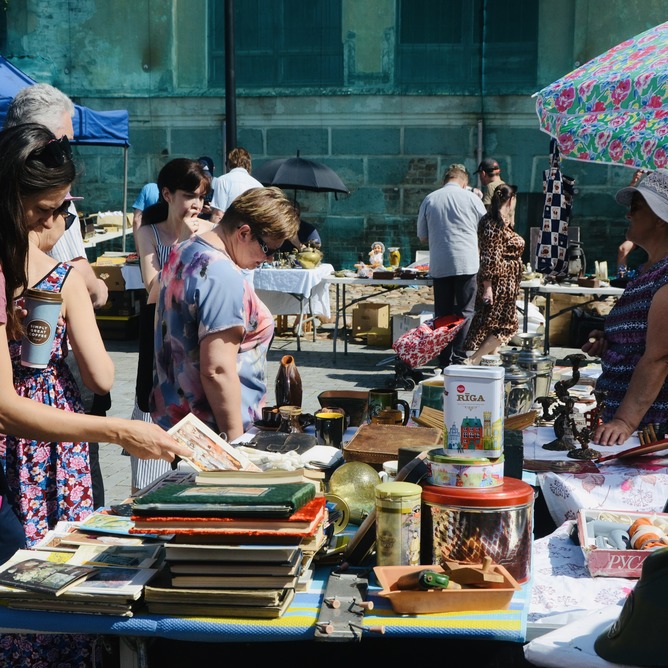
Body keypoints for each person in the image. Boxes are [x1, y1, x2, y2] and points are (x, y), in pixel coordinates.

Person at [0, 124, 189, 668]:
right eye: (45, 210)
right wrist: (117, 429)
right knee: (36, 590)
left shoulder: (51, 269)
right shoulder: (61, 275)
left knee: (62, 581)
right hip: (48, 445)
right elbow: (96, 379)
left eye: (63, 210)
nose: (54, 224)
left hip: (47, 445)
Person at [1, 188, 114, 548]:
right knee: (63, 541)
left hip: (7, 431)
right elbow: (101, 378)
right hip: (53, 419)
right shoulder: (64, 279)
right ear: (47, 216)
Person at [151, 187, 300, 441]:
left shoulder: (184, 250)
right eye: (268, 249)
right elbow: (217, 370)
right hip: (212, 434)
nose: (270, 259)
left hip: (181, 424)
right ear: (244, 233)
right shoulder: (222, 275)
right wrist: (235, 443)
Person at [130, 158, 214, 493]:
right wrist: (182, 242)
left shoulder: (208, 232)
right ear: (167, 194)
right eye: (189, 195)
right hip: (159, 338)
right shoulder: (149, 234)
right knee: (154, 415)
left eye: (202, 197)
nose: (197, 204)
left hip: (196, 336)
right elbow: (153, 289)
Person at [4, 83, 109, 309]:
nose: (67, 153)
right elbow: (82, 277)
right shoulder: (55, 200)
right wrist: (99, 287)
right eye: (63, 142)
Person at [582, 171, 668, 446]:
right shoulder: (648, 272)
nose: (628, 215)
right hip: (631, 429)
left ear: (660, 219)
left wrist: (625, 421)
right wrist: (610, 341)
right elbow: (641, 339)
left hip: (649, 432)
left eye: (636, 208)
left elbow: (660, 357)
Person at [417, 163, 487, 367]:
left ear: (444, 181)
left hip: (440, 263)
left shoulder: (430, 198)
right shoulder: (472, 198)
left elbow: (422, 236)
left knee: (443, 313)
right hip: (467, 262)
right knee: (465, 311)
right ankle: (459, 356)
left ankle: (444, 359)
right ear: (464, 183)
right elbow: (486, 230)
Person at [464, 184, 524, 364]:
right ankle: (474, 359)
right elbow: (490, 256)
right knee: (507, 326)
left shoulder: (499, 221)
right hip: (501, 281)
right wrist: (488, 287)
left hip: (507, 280)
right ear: (511, 200)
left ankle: (490, 361)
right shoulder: (493, 224)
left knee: (495, 324)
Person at [209, 147, 263, 224]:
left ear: (229, 163)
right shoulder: (259, 186)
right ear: (248, 164)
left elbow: (218, 215)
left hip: (230, 230)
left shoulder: (223, 180)